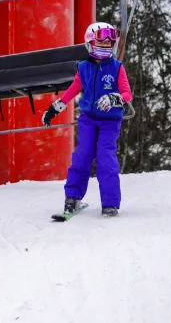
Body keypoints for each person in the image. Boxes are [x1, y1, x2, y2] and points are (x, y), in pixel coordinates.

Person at [41, 22, 132, 217]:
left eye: (109, 44)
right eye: (101, 43)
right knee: (82, 156)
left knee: (105, 158)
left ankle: (110, 203)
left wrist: (113, 98)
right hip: (88, 119)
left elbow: (127, 94)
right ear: (90, 44)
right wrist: (54, 108)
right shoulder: (83, 68)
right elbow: (72, 91)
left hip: (109, 122)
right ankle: (72, 197)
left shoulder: (117, 68)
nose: (106, 48)